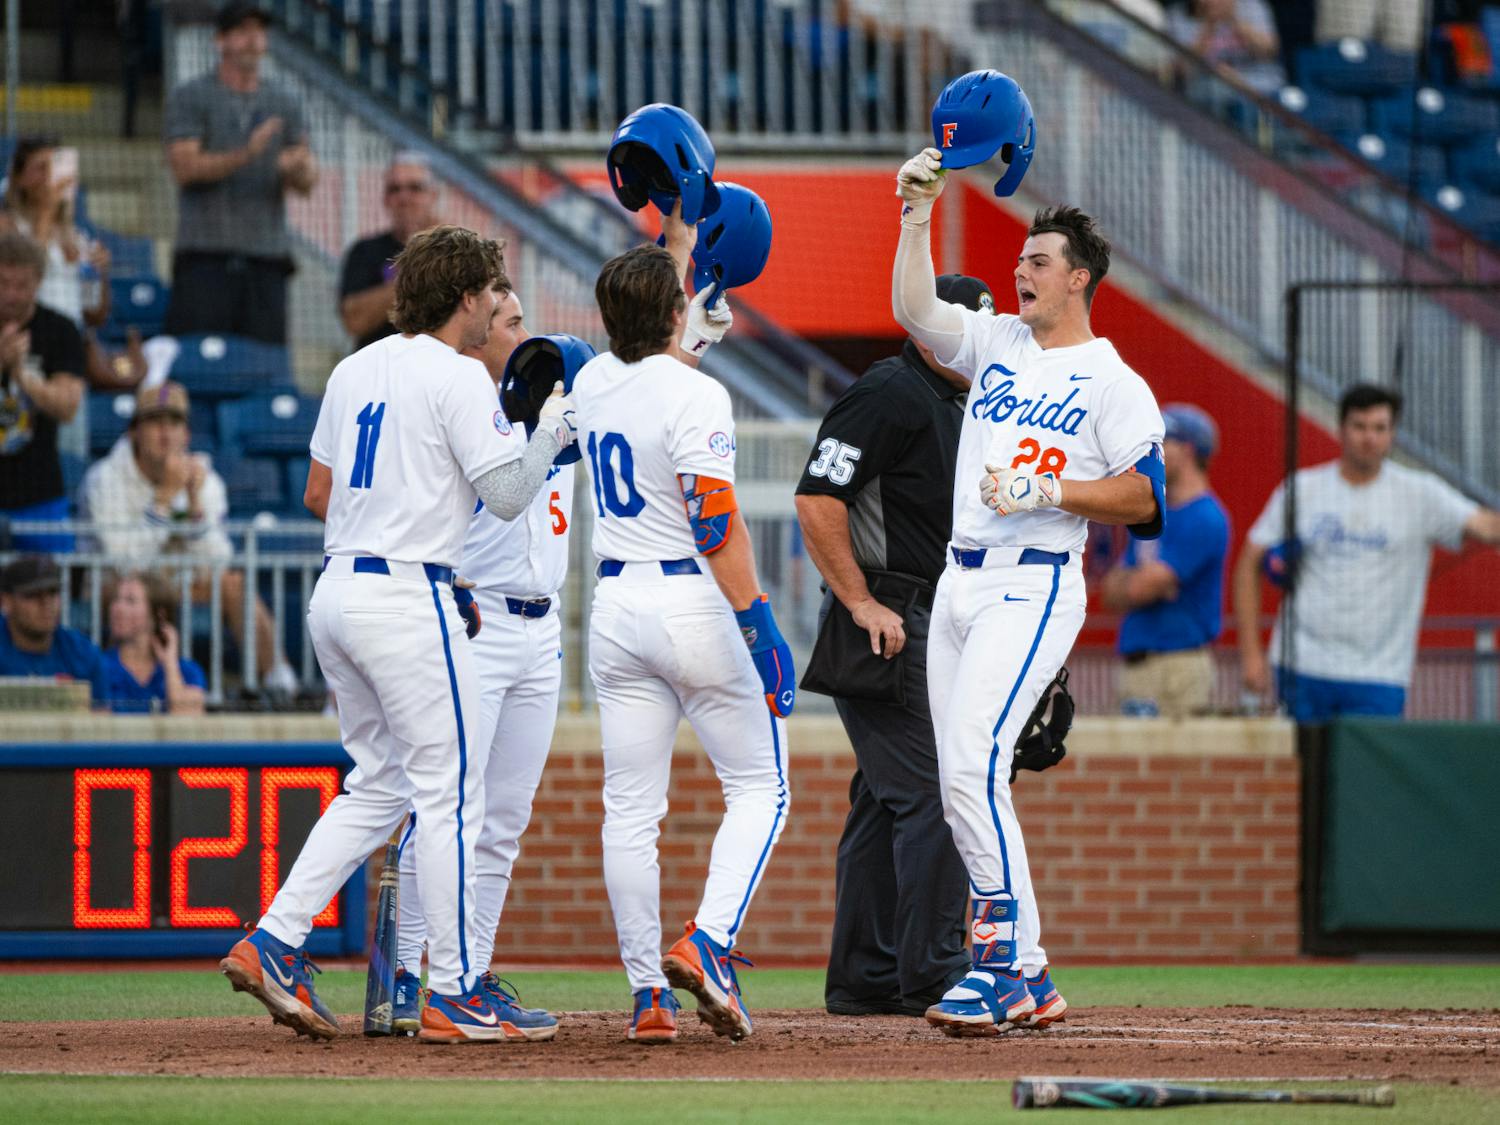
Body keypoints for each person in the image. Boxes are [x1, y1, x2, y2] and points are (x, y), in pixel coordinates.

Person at [218, 224, 576, 1043]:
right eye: (490, 293)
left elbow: (318, 490)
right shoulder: (454, 374)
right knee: (450, 791)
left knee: (378, 782)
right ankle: (451, 989)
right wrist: (554, 427)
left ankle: (275, 937)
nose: (495, 306)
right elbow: (515, 493)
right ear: (464, 298)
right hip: (409, 595)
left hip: (338, 589)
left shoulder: (355, 366)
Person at [892, 148, 1166, 1037]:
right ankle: (1031, 972)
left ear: (1079, 278)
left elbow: (1147, 497)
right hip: (960, 579)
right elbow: (916, 311)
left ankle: (1002, 963)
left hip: (1036, 582)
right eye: (1019, 261)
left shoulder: (1114, 380)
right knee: (960, 780)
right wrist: (914, 216)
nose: (1020, 270)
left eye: (1038, 261)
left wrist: (1054, 491)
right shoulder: (1001, 340)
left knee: (973, 763)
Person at [572, 207, 795, 1045]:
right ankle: (710, 940)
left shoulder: (593, 379)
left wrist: (680, 254)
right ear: (673, 312)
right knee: (761, 787)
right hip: (692, 601)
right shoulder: (697, 389)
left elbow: (649, 359)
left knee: (630, 809)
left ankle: (646, 995)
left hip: (615, 606)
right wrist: (761, 622)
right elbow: (714, 523)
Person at [794, 275, 993, 1019]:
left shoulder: (950, 399)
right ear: (930, 328)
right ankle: (939, 972)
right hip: (888, 617)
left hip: (924, 615)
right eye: (966, 326)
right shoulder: (891, 391)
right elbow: (817, 497)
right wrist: (861, 600)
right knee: (939, 791)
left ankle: (867, 972)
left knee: (884, 798)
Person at [389, 283, 570, 1039]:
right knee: (446, 804)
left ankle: (468, 975)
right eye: (511, 319)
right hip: (478, 617)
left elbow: (647, 386)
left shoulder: (556, 396)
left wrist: (692, 322)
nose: (527, 332)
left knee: (503, 820)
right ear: (477, 332)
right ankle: (403, 974)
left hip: (543, 627)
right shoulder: (462, 404)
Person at [1234, 383, 1500, 722]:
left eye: (1379, 428)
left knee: (1366, 775)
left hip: (1378, 675)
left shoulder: (1420, 494)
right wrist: (1251, 653)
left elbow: (1485, 527)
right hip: (1302, 666)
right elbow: (1250, 561)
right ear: (1342, 429)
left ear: (1392, 434)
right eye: (1359, 426)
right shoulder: (1303, 489)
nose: (1369, 438)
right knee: (1301, 774)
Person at [77, 379, 299, 698]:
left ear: (187, 434)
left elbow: (218, 559)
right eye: (154, 423)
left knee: (233, 583)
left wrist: (194, 507)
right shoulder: (105, 478)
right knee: (130, 589)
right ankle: (119, 690)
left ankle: (283, 686)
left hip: (176, 581)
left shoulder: (203, 479)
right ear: (133, 432)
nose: (165, 433)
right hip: (113, 586)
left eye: (174, 423)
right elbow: (125, 562)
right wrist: (164, 500)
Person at [162, 1, 317, 345]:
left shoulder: (285, 102)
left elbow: (305, 182)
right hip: (204, 257)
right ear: (221, 40)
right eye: (242, 31)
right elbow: (184, 168)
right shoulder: (191, 96)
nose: (252, 40)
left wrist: (300, 169)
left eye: (258, 31)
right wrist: (248, 153)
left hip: (266, 258)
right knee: (194, 360)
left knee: (264, 368)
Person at [1102, 403, 1230, 719]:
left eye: (1161, 445)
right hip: (1138, 662)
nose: (1152, 455)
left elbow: (1137, 590)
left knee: (1175, 765)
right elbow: (1111, 593)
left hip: (1178, 667)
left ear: (1187, 450)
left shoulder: (1205, 516)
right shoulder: (1153, 510)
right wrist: (1138, 581)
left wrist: (1137, 580)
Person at [0, 230, 85, 554]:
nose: (9, 294)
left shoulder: (59, 331)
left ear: (38, 283)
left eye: (20, 285)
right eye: (2, 283)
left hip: (38, 493)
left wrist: (22, 375)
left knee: (50, 588)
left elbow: (67, 407)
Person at [0, 137, 111, 331]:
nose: (50, 176)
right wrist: (47, 212)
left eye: (55, 168)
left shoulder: (77, 237)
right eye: (41, 168)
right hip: (28, 335)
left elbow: (94, 315)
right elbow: (28, 271)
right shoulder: (7, 225)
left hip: (70, 341)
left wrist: (100, 276)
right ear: (20, 177)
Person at [338, 154, 440, 352]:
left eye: (415, 188)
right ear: (385, 199)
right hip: (378, 370)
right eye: (395, 189)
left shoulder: (453, 251)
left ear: (433, 195)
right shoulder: (364, 251)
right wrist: (413, 273)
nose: (404, 198)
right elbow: (354, 322)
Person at [0, 554, 107, 703]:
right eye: (32, 595)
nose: (46, 603)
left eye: (53, 592)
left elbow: (101, 717)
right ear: (6, 601)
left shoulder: (82, 653)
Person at [102, 570, 207, 715]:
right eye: (115, 600)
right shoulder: (98, 668)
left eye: (130, 601)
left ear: (159, 614)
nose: (118, 608)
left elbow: (188, 724)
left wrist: (170, 664)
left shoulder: (187, 672)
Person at [1168, 0, 1285, 97]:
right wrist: (1210, 25)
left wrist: (1233, 19)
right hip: (1208, 92)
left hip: (1258, 84)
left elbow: (1270, 50)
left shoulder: (1251, 5)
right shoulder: (1178, 15)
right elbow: (1182, 71)